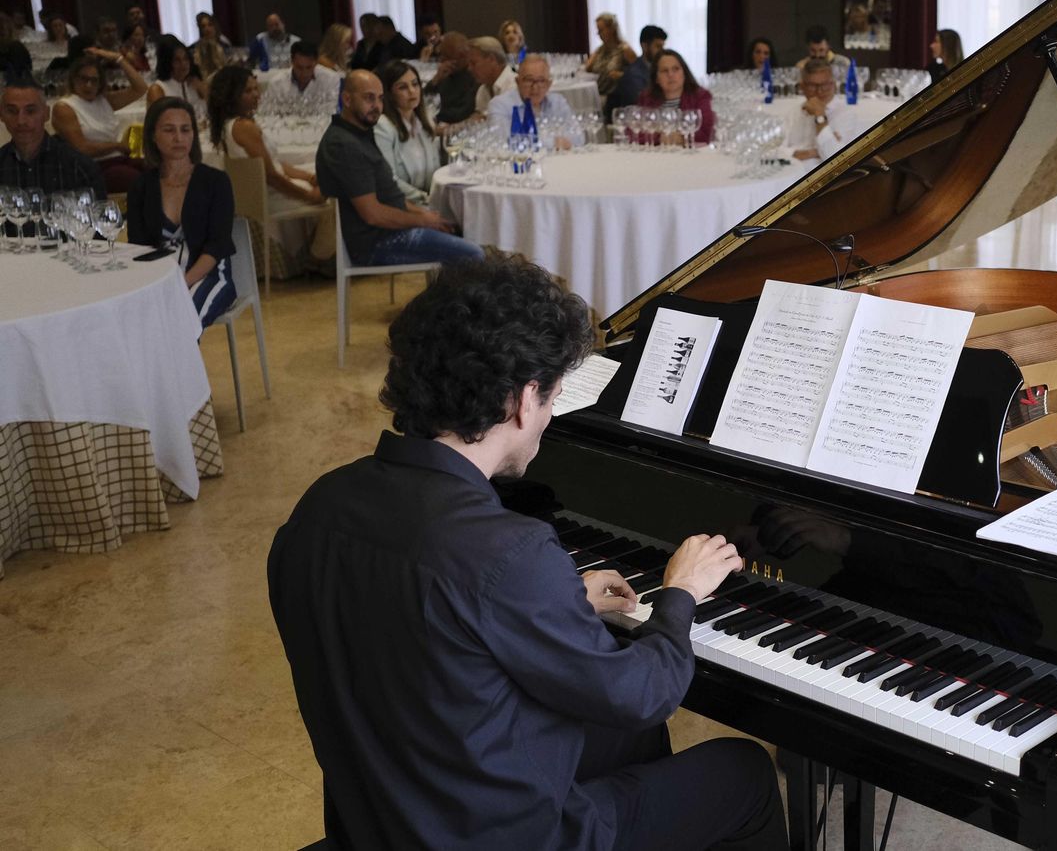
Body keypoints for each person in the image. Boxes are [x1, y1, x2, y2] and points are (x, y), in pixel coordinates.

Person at [268, 253, 787, 851]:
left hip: (379, 820)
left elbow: (424, 636)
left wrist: (561, 603)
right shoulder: (507, 550)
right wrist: (680, 594)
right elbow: (644, 695)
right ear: (522, 400)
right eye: (554, 400)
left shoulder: (319, 507)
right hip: (503, 839)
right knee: (744, 772)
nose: (548, 420)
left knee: (620, 743)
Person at [317, 70, 483, 266]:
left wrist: (422, 213)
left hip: (390, 230)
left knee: (468, 227)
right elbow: (373, 214)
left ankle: (448, 294)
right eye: (369, 98)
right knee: (474, 254)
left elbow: (388, 196)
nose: (377, 106)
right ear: (347, 99)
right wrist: (423, 221)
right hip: (376, 243)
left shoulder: (359, 132)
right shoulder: (344, 145)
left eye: (379, 99)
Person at [128, 97, 237, 328]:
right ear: (153, 136)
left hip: (208, 274)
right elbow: (138, 246)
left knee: (181, 320)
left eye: (185, 130)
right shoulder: (142, 186)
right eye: (169, 130)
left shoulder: (215, 181)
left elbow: (217, 245)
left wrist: (182, 282)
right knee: (134, 323)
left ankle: (176, 365)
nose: (179, 138)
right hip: (160, 276)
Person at [208, 65, 323, 210]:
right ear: (231, 96)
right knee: (335, 189)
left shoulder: (228, 124)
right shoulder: (243, 127)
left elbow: (274, 164)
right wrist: (309, 196)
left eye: (256, 88)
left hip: (264, 190)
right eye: (248, 91)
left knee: (321, 174)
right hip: (271, 196)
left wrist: (310, 178)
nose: (256, 94)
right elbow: (272, 177)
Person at [52, 52, 146, 193]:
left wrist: (118, 59)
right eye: (84, 79)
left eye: (94, 80)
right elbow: (82, 149)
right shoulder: (65, 107)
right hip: (94, 167)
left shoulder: (104, 101)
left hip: (118, 159)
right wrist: (116, 145)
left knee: (158, 170)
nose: (89, 85)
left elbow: (141, 88)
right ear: (73, 79)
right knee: (139, 181)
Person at [0, 76, 105, 200]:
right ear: (1, 116)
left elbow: (99, 215)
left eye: (30, 111)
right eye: (12, 111)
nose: (21, 121)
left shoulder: (79, 167)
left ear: (46, 114)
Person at [374, 60, 444, 204]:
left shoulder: (425, 123)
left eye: (415, 84)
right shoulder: (383, 127)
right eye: (402, 87)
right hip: (400, 206)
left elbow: (435, 172)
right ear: (389, 93)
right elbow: (388, 180)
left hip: (428, 202)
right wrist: (426, 199)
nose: (412, 91)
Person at [487, 55, 580, 148]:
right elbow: (505, 141)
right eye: (529, 80)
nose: (535, 87)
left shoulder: (558, 102)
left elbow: (579, 137)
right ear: (517, 82)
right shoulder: (499, 105)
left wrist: (535, 141)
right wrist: (553, 142)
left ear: (549, 84)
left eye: (541, 81)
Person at [790, 57, 864, 162]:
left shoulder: (846, 113)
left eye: (825, 85)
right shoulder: (795, 112)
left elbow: (835, 159)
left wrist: (820, 116)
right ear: (802, 87)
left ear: (833, 84)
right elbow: (773, 149)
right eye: (813, 86)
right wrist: (815, 152)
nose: (820, 91)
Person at [637, 50, 715, 146]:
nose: (670, 75)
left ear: (684, 73)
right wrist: (660, 137)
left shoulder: (701, 96)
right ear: (656, 78)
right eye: (664, 71)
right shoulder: (646, 98)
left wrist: (681, 137)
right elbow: (633, 132)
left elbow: (707, 132)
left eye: (675, 69)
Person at [424, 31, 479, 127]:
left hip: (459, 127)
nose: (442, 60)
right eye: (441, 55)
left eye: (447, 57)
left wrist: (435, 114)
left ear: (463, 56)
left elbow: (463, 112)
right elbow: (425, 99)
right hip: (438, 121)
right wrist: (436, 79)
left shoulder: (475, 76)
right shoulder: (446, 73)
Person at [264, 40, 340, 107]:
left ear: (316, 62)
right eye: (299, 68)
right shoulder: (276, 83)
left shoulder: (331, 79)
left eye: (309, 67)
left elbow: (332, 110)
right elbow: (271, 113)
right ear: (292, 62)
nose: (304, 73)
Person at [610, 24, 666, 114]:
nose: (662, 51)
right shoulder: (633, 75)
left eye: (663, 46)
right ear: (644, 46)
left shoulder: (660, 69)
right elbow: (643, 106)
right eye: (658, 46)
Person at [584, 12, 636, 106]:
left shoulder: (624, 50)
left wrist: (621, 75)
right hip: (598, 95)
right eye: (598, 31)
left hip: (615, 98)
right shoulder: (600, 50)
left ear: (612, 30)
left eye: (601, 30)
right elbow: (587, 69)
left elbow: (638, 73)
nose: (598, 34)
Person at [147, 35, 208, 105]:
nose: (183, 64)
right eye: (177, 60)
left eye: (185, 58)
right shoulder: (158, 89)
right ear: (167, 63)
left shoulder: (194, 83)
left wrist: (201, 87)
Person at [468, 37, 515, 114]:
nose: (469, 69)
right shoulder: (482, 90)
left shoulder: (514, 85)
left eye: (474, 63)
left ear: (492, 59)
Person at [192, 12, 228, 80]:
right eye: (203, 26)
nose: (207, 29)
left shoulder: (224, 44)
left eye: (210, 25)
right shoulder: (197, 48)